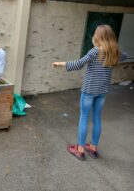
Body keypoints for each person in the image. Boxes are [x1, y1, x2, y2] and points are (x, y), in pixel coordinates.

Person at [52, 24, 127, 161]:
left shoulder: (95, 51)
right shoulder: (114, 52)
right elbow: (124, 56)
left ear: (98, 37)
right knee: (97, 117)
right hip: (102, 91)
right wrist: (115, 51)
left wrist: (60, 64)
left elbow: (79, 64)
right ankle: (93, 148)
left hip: (89, 91)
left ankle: (80, 150)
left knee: (84, 117)